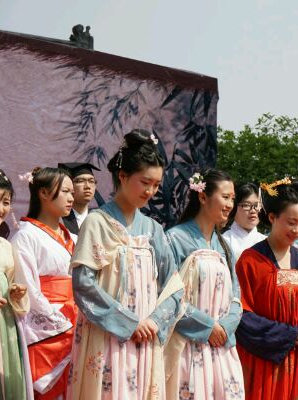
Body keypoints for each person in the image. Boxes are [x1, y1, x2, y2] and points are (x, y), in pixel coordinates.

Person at [66, 129, 184, 399]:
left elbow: (174, 285)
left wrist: (154, 321)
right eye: (145, 182)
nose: (151, 191)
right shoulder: (97, 222)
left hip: (146, 337)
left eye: (156, 185)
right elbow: (83, 285)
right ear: (122, 176)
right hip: (107, 336)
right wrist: (128, 322)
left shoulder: (153, 229)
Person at [235, 178, 298, 400]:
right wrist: (286, 335)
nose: (297, 230)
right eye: (291, 222)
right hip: (266, 362)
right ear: (272, 217)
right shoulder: (250, 261)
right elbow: (241, 312)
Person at [164, 169, 244, 399]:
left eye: (232, 198)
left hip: (222, 346)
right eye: (225, 197)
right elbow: (168, 295)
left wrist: (224, 327)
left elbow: (236, 296)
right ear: (202, 196)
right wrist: (207, 326)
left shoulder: (223, 246)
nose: (230, 205)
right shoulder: (175, 239)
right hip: (187, 344)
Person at [10, 167, 77, 399]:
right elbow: (28, 290)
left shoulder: (73, 238)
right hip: (52, 327)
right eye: (65, 191)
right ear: (44, 193)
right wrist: (63, 324)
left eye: (72, 192)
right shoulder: (25, 236)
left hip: (78, 319)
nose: (71, 197)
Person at [0, 169, 31, 399]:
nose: (1, 209)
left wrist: (16, 294)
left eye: (6, 202)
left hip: (4, 328)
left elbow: (12, 284)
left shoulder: (5, 246)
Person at [222, 182, 266, 262]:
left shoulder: (267, 242)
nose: (253, 211)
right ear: (234, 207)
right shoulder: (223, 241)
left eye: (257, 205)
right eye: (246, 205)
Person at [57, 162, 100, 235]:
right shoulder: (59, 219)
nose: (87, 186)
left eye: (91, 181)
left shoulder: (100, 217)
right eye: (80, 181)